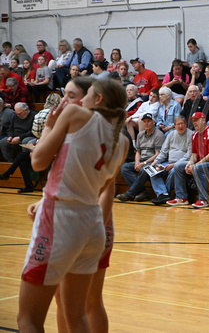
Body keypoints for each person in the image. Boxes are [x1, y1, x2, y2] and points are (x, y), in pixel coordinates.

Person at [18, 79, 128, 332]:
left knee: (28, 319)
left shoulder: (75, 114)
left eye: (80, 94)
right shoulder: (121, 141)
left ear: (97, 99)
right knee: (77, 315)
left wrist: (47, 127)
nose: (70, 100)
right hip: (91, 223)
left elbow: (36, 162)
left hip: (61, 219)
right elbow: (100, 187)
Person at [0, 93, 61, 192]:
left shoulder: (40, 113)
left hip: (45, 145)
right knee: (22, 158)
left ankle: (8, 174)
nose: (18, 115)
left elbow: (35, 132)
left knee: (23, 155)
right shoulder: (62, 113)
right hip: (55, 145)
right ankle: (27, 185)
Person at [168, 112, 209, 207]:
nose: (194, 123)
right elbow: (194, 154)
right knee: (178, 165)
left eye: (196, 120)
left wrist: (195, 165)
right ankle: (181, 197)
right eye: (193, 121)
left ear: (203, 120)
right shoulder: (195, 135)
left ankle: (204, 200)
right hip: (201, 162)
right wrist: (189, 163)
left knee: (198, 168)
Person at [117, 113, 166, 202]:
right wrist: (137, 162)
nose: (146, 123)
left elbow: (157, 154)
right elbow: (138, 152)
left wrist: (143, 163)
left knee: (144, 169)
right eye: (144, 122)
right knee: (125, 168)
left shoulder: (159, 135)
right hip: (142, 161)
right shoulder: (140, 135)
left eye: (148, 121)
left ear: (154, 122)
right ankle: (142, 191)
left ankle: (130, 194)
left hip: (153, 162)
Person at [148, 115, 193, 204]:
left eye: (182, 124)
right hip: (168, 163)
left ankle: (166, 194)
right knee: (152, 169)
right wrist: (156, 161)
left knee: (174, 170)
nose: (180, 126)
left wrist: (174, 165)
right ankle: (163, 194)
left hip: (181, 164)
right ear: (174, 126)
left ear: (185, 124)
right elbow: (163, 152)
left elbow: (189, 155)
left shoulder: (191, 134)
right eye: (178, 124)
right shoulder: (171, 134)